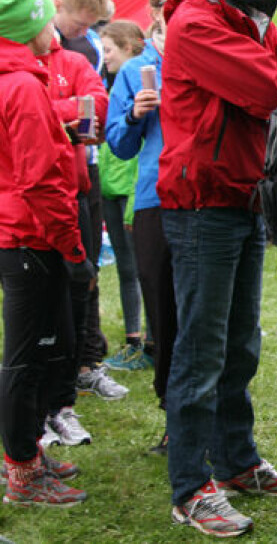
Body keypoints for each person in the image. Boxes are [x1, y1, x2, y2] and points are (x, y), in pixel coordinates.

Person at [158, 0, 277, 536]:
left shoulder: (245, 14)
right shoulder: (196, 23)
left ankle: (236, 460)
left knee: (240, 343)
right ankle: (190, 486)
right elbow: (275, 87)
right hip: (203, 203)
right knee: (201, 350)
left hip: (242, 196)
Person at [0, 0, 90, 507]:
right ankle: (22, 470)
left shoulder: (18, 79)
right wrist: (72, 247)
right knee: (26, 356)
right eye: (44, 16)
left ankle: (27, 451)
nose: (52, 24)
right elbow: (41, 180)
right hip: (32, 237)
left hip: (22, 232)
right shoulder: (24, 86)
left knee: (35, 351)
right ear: (29, 25)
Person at [43, 0, 127, 450]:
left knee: (86, 271)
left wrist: (74, 109)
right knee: (45, 285)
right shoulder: (36, 49)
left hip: (82, 173)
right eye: (78, 22)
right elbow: (40, 106)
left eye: (90, 24)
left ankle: (84, 366)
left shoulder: (86, 47)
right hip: (44, 180)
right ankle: (48, 394)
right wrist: (66, 110)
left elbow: (94, 98)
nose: (82, 31)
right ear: (57, 4)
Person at [106, 0, 186, 455]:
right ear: (155, 11)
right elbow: (118, 142)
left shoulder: (201, 61)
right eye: (167, 3)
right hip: (155, 202)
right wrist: (136, 113)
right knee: (164, 316)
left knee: (204, 319)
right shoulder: (137, 70)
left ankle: (207, 420)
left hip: (203, 202)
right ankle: (174, 418)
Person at [98, 21, 147, 371]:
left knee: (134, 270)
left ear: (129, 47)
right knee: (124, 269)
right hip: (108, 190)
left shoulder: (141, 88)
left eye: (108, 50)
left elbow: (139, 153)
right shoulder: (109, 85)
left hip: (130, 193)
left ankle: (139, 341)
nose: (104, 57)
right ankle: (133, 337)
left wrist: (133, 204)